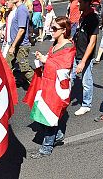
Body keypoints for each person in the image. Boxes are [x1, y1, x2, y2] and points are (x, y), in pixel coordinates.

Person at [29, 16, 75, 159]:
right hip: (48, 83)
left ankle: (46, 149)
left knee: (49, 116)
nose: (51, 30)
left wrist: (46, 60)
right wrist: (43, 58)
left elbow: (64, 68)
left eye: (54, 28)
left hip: (58, 87)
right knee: (41, 114)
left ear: (63, 30)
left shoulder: (69, 46)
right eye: (51, 27)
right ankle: (58, 134)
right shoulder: (55, 44)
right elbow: (52, 60)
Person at [71, 0, 98, 116]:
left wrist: (83, 61)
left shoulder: (93, 18)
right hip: (76, 52)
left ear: (87, 3)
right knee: (69, 78)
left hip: (85, 56)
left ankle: (86, 104)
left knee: (86, 81)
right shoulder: (83, 16)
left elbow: (92, 42)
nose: (78, 4)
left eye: (80, 2)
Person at [6, 0, 34, 87]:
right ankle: (8, 84)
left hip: (21, 45)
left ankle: (38, 85)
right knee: (7, 65)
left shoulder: (22, 10)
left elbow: (21, 30)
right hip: (16, 44)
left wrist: (13, 46)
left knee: (25, 68)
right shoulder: (18, 9)